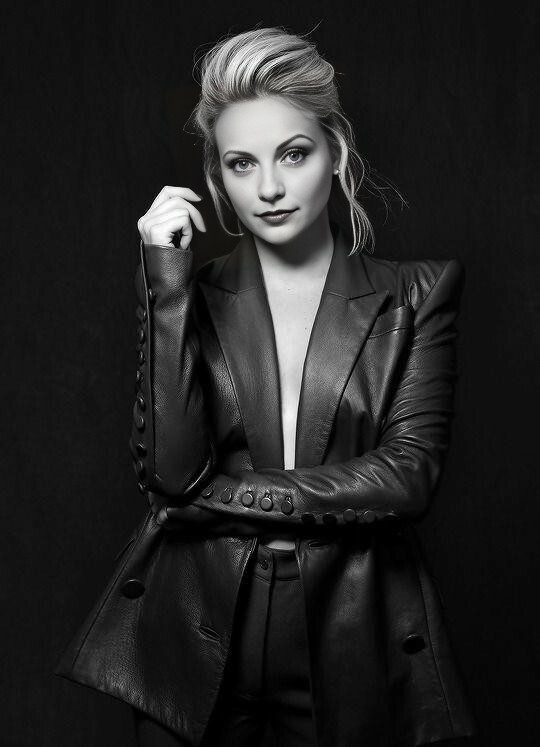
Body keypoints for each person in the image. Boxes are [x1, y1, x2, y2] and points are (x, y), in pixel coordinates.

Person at [54, 26, 480, 747]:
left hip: (348, 627)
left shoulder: (416, 294)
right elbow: (170, 472)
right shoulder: (187, 292)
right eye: (241, 164)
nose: (270, 188)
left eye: (294, 153)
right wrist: (166, 283)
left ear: (335, 151)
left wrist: (219, 498)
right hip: (196, 629)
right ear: (218, 178)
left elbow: (406, 477)